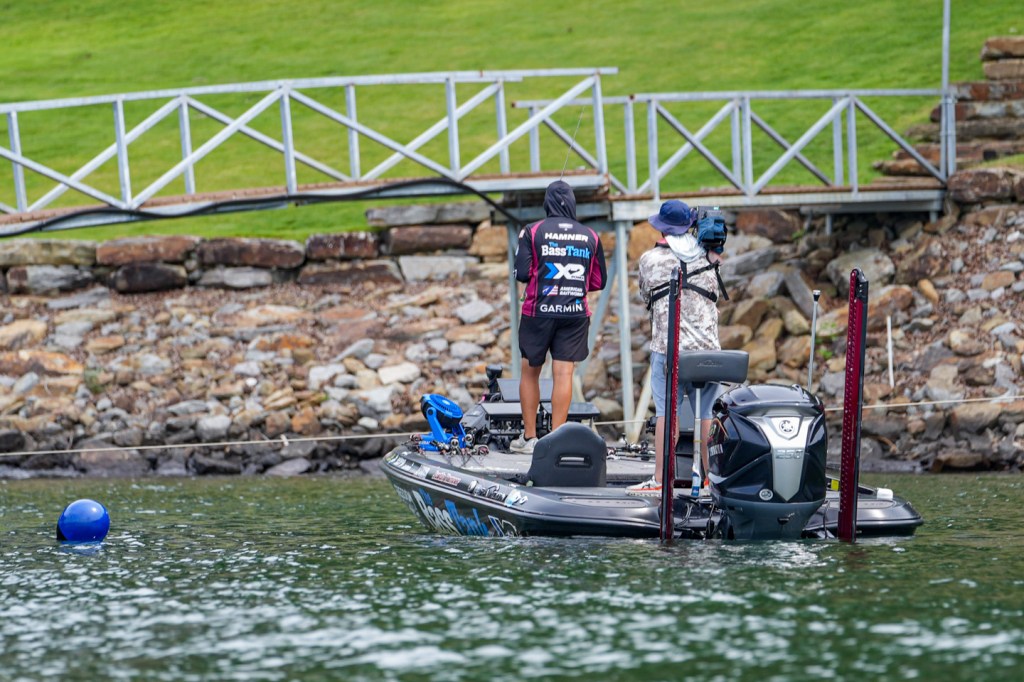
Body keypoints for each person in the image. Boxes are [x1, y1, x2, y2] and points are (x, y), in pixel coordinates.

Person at [628, 200, 724, 496]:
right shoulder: (710, 257)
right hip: (708, 351)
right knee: (706, 414)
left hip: (669, 351)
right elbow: (716, 292)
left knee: (665, 413)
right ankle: (711, 480)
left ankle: (660, 478)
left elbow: (645, 295)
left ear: (661, 228)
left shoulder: (649, 260)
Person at [509, 180, 607, 454]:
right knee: (564, 373)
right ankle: (555, 440)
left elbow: (522, 273)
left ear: (547, 203)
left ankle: (530, 439)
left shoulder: (532, 231)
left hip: (538, 312)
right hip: (574, 314)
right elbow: (599, 280)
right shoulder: (591, 236)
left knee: (530, 372)